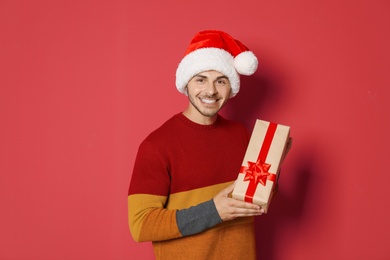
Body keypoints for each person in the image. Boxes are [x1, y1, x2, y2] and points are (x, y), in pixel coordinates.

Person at [128, 30, 262, 259]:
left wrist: (273, 164)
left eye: (221, 81)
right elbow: (141, 225)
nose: (210, 90)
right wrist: (213, 211)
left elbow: (256, 200)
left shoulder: (241, 134)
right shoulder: (157, 146)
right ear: (186, 83)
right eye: (201, 79)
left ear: (231, 87)